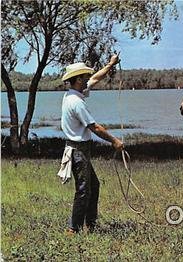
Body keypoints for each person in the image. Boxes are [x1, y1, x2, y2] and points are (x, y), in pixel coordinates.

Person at [60, 55, 124, 234]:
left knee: (92, 187)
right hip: (78, 151)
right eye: (85, 76)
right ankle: (73, 229)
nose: (88, 77)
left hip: (80, 150)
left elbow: (96, 78)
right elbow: (94, 127)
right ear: (78, 79)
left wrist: (111, 64)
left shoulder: (74, 94)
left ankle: (91, 225)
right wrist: (115, 141)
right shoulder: (76, 102)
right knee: (83, 190)